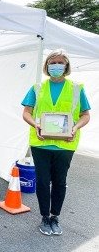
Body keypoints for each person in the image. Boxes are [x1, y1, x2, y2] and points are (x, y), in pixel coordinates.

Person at [21, 49, 90, 236]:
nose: (56, 66)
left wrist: (75, 128)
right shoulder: (37, 88)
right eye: (52, 63)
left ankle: (54, 216)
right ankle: (44, 217)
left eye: (60, 62)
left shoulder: (77, 88)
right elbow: (26, 112)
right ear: (47, 66)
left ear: (66, 65)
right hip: (41, 142)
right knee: (43, 181)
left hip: (65, 143)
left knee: (59, 181)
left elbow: (85, 115)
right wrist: (35, 124)